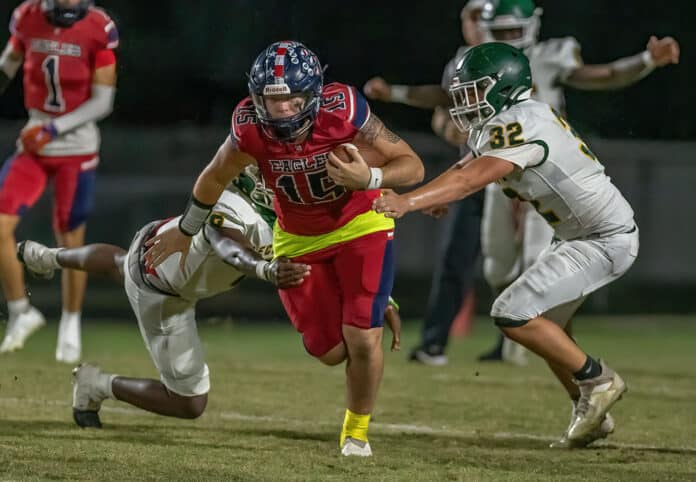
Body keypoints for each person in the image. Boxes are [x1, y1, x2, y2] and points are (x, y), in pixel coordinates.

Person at [141, 41, 424, 456]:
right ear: (257, 98)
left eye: (293, 99)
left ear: (313, 94)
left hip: (359, 223)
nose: (284, 109)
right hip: (295, 236)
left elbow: (411, 164)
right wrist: (186, 229)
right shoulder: (247, 127)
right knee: (328, 351)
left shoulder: (343, 107)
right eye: (273, 100)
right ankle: (368, 307)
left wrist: (372, 178)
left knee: (363, 340)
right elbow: (214, 175)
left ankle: (356, 433)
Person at [374, 42, 639, 448]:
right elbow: (465, 166)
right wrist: (434, 195)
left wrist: (408, 201)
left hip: (601, 238)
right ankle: (589, 408)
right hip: (580, 235)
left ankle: (597, 379)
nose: (464, 101)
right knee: (549, 325)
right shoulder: (507, 120)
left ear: (503, 87)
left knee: (512, 313)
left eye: (473, 90)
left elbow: (470, 178)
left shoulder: (519, 120)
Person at [470, 0, 680, 364]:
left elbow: (602, 75)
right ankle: (516, 334)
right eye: (499, 30)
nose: (506, 37)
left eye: (511, 29)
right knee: (496, 266)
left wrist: (645, 61)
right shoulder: (480, 59)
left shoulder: (550, 55)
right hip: (497, 168)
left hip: (540, 172)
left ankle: (529, 345)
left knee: (538, 260)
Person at [17, 170, 312, 427]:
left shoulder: (277, 217)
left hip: (159, 245)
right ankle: (95, 385)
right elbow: (227, 246)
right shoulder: (230, 204)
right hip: (161, 292)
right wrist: (263, 268)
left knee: (120, 263)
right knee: (190, 403)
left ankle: (47, 257)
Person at [363, 0, 486, 366]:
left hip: (521, 170)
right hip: (477, 169)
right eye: (471, 17)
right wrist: (443, 122)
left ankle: (534, 343)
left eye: (483, 17)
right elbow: (445, 106)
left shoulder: (531, 59)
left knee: (519, 265)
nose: (475, 25)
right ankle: (435, 343)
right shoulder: (462, 61)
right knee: (458, 259)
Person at [0, 0, 119, 363]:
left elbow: (103, 102)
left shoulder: (100, 27)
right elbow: (9, 63)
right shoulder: (27, 16)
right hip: (35, 143)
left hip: (76, 148)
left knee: (69, 240)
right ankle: (22, 311)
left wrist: (54, 129)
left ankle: (71, 322)